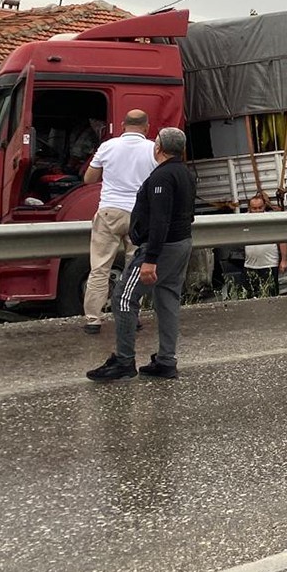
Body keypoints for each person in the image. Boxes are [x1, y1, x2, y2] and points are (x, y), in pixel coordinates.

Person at [87, 127, 195, 382]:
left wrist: (150, 259)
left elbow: (160, 220)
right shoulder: (187, 174)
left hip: (160, 247)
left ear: (158, 147)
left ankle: (124, 361)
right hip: (182, 243)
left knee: (123, 298)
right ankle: (166, 360)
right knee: (167, 299)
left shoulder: (162, 177)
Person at [80, 110, 156, 335]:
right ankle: (131, 315)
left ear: (123, 125)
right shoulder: (153, 148)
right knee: (135, 268)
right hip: (139, 214)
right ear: (146, 127)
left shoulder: (107, 146)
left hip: (110, 212)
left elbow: (89, 179)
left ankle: (93, 320)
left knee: (100, 268)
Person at [242, 192, 287, 296]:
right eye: (254, 208)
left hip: (269, 264)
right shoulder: (243, 219)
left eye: (260, 207)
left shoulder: (271, 219)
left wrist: (284, 260)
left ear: (264, 206)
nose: (257, 211)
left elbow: (282, 238)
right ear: (249, 208)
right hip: (250, 265)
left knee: (271, 295)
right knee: (250, 296)